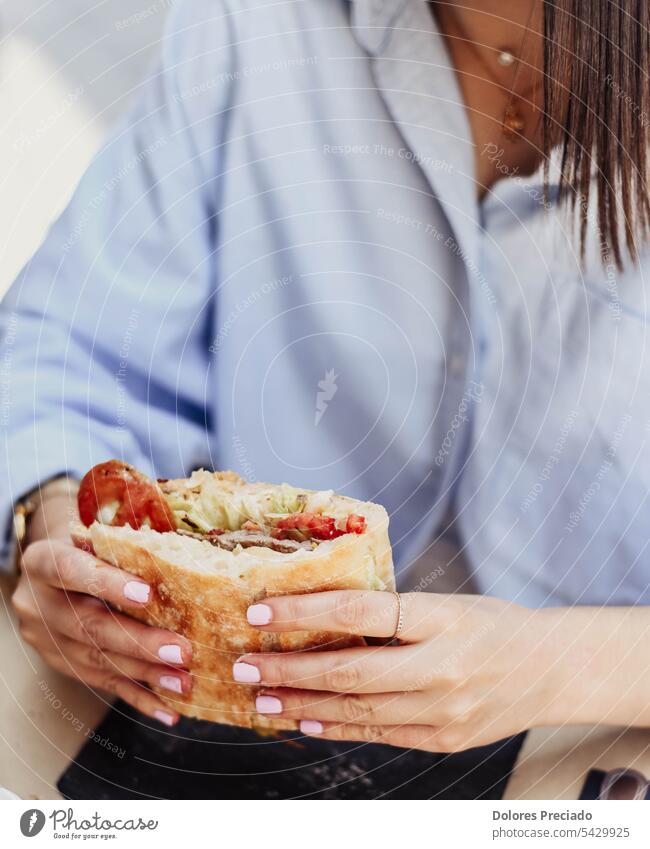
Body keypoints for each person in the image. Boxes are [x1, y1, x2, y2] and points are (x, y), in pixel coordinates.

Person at [2, 0, 650, 751]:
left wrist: (561, 667)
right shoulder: (256, 24)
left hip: (594, 759)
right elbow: (64, 346)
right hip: (218, 731)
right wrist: (54, 526)